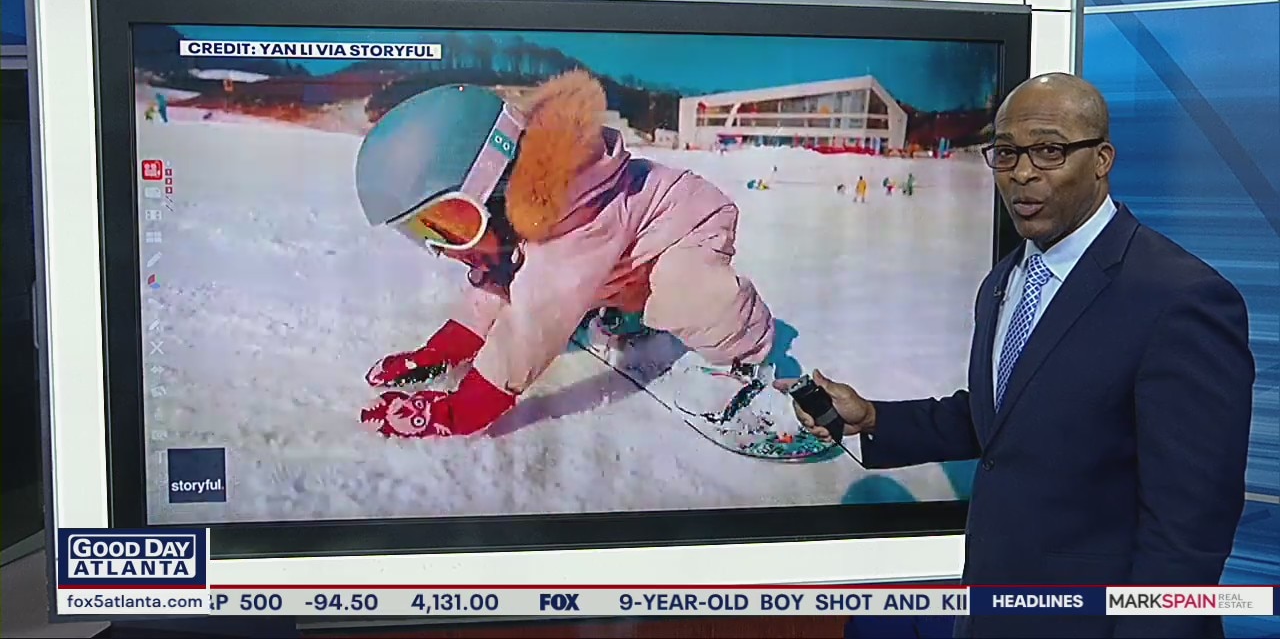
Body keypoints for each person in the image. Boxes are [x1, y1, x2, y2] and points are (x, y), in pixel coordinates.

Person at [777, 73, 1253, 638]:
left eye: (1049, 152)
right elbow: (1006, 421)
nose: (1023, 173)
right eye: (1006, 153)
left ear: (1101, 159)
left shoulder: (1178, 297)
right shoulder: (1006, 281)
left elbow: (1189, 531)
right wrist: (876, 417)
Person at [354, 71, 776, 438]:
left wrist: (459, 411)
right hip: (626, 252)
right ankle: (627, 313)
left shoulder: (574, 219)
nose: (444, 249)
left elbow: (532, 324)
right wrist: (435, 355)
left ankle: (745, 363)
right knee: (567, 282)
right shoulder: (521, 219)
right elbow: (493, 294)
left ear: (494, 187)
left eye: (450, 221)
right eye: (425, 231)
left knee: (685, 292)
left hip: (688, 226)